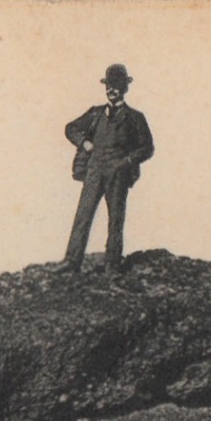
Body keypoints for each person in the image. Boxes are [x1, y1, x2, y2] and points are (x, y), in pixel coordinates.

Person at [59, 64, 154, 274]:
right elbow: (70, 128)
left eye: (116, 85)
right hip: (94, 170)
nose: (111, 89)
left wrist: (127, 161)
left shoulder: (136, 118)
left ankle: (112, 263)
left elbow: (147, 148)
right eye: (109, 85)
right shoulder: (95, 114)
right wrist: (84, 143)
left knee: (116, 218)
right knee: (83, 215)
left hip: (118, 173)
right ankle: (71, 261)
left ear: (125, 88)